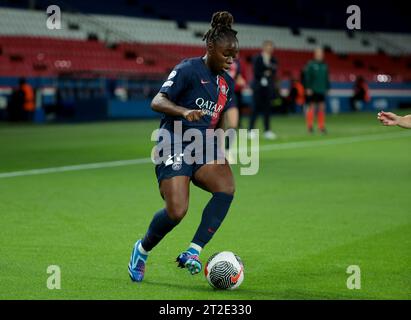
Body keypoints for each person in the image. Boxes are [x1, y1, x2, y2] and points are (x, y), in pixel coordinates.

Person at [128, 11, 239, 282]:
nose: (230, 59)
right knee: (177, 211)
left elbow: (226, 117)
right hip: (174, 141)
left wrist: (225, 140)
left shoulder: (226, 83)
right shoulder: (188, 69)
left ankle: (193, 250)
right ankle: (141, 250)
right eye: (226, 53)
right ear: (210, 47)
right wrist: (182, 111)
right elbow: (157, 101)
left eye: (234, 55)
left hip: (204, 146)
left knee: (226, 188)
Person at [248, 40, 278, 140]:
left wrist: (266, 70)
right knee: (255, 109)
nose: (270, 48)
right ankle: (250, 130)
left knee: (267, 110)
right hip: (258, 87)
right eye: (268, 46)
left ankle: (267, 131)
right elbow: (256, 71)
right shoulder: (257, 58)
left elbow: (274, 71)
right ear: (264, 47)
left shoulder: (273, 59)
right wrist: (267, 71)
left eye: (271, 47)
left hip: (268, 88)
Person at [303, 47, 330, 134]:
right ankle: (310, 127)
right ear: (315, 54)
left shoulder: (324, 65)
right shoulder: (311, 64)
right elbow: (307, 77)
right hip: (313, 89)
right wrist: (308, 87)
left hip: (322, 89)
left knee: (322, 108)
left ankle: (321, 127)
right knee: (312, 107)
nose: (320, 55)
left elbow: (327, 78)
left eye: (321, 54)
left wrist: (327, 87)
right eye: (318, 53)